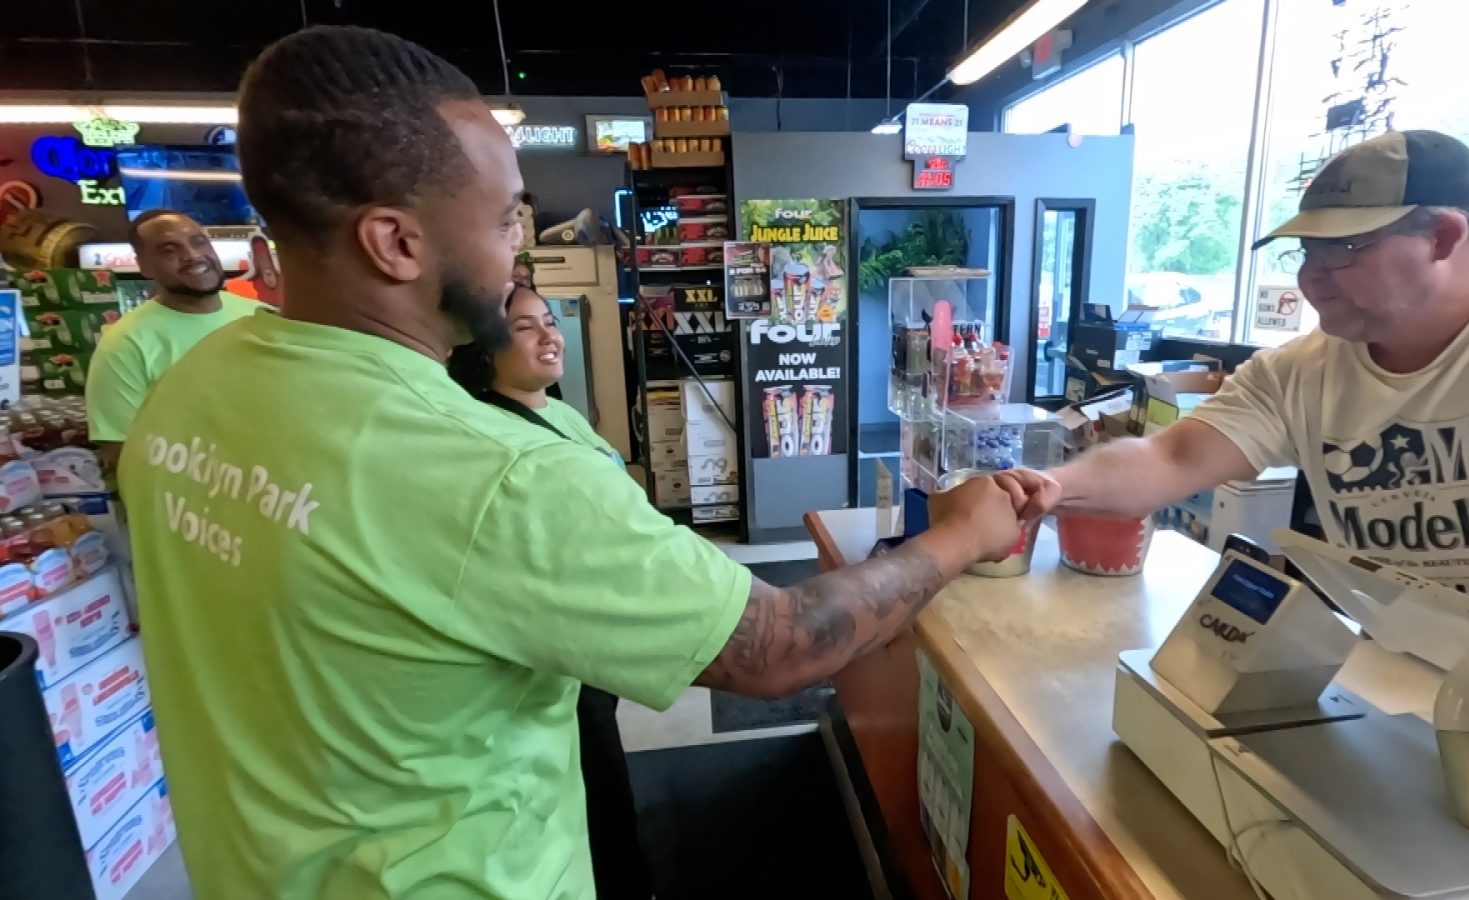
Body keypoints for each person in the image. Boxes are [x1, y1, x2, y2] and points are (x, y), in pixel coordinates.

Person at [117, 26, 1032, 900]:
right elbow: (779, 644)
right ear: (395, 243)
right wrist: (958, 535)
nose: (523, 253)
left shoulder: (190, 389)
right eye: (505, 223)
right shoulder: (485, 469)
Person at [1005, 130, 1469, 783]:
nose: (1311, 276)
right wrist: (1043, 488)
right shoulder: (1300, 373)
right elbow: (1169, 460)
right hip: (1416, 708)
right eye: (1306, 249)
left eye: (1346, 248)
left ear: (1444, 238)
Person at [447, 284, 646, 899]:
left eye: (549, 322)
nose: (549, 336)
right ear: (485, 348)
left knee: (601, 763)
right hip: (561, 635)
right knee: (589, 773)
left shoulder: (557, 408)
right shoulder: (494, 430)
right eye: (526, 328)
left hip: (599, 627)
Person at [85, 209, 256, 465]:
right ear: (143, 264)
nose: (193, 256)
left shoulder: (260, 315)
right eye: (169, 250)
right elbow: (119, 453)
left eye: (199, 242)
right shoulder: (124, 345)